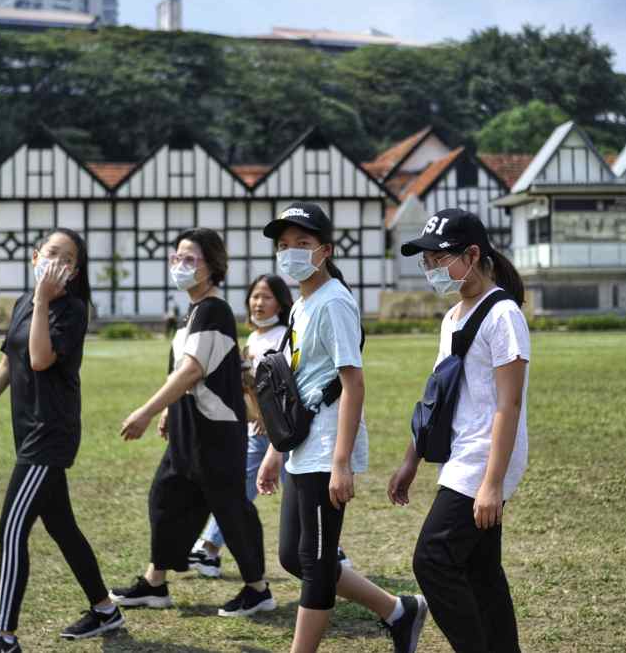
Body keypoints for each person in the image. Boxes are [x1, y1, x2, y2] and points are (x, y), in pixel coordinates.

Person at [255, 202, 427, 653]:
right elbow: (298, 384)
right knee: (295, 556)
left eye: (302, 244)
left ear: (325, 250)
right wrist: (277, 449)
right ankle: (397, 610)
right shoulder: (301, 306)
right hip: (301, 445)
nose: (291, 253)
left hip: (327, 446)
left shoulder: (334, 303)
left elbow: (353, 382)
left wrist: (341, 462)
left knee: (314, 561)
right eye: (284, 245)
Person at [0, 228, 125, 653]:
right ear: (35, 258)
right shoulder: (24, 303)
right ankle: (106, 610)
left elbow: (39, 358)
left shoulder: (72, 310)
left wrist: (44, 299)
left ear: (74, 271)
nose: (56, 263)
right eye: (51, 254)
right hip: (26, 431)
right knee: (62, 526)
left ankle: (4, 636)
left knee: (12, 529)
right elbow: (9, 361)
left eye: (66, 259)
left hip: (49, 435)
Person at [109, 228, 275, 619]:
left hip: (213, 431)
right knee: (166, 497)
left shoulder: (213, 310)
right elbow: (191, 371)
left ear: (212, 266)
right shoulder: (195, 310)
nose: (180, 266)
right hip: (189, 424)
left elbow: (192, 371)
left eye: (190, 260)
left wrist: (146, 411)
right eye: (176, 258)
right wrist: (169, 411)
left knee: (230, 507)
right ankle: (155, 582)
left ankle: (258, 589)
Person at [388, 208, 529, 653]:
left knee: (432, 559)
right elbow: (436, 397)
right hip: (462, 454)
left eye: (438, 258)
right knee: (480, 569)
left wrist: (492, 484)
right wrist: (411, 459)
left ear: (472, 254)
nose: (430, 268)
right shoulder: (453, 318)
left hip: (484, 459)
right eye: (425, 260)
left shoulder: (502, 315)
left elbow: (509, 403)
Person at [187, 274, 293, 581]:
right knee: (234, 491)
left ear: (281, 303)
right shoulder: (253, 339)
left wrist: (271, 419)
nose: (259, 303)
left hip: (284, 434)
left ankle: (332, 551)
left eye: (267, 297)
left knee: (299, 497)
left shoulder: (284, 336)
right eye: (255, 297)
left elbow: (286, 388)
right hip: (257, 433)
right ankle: (208, 549)